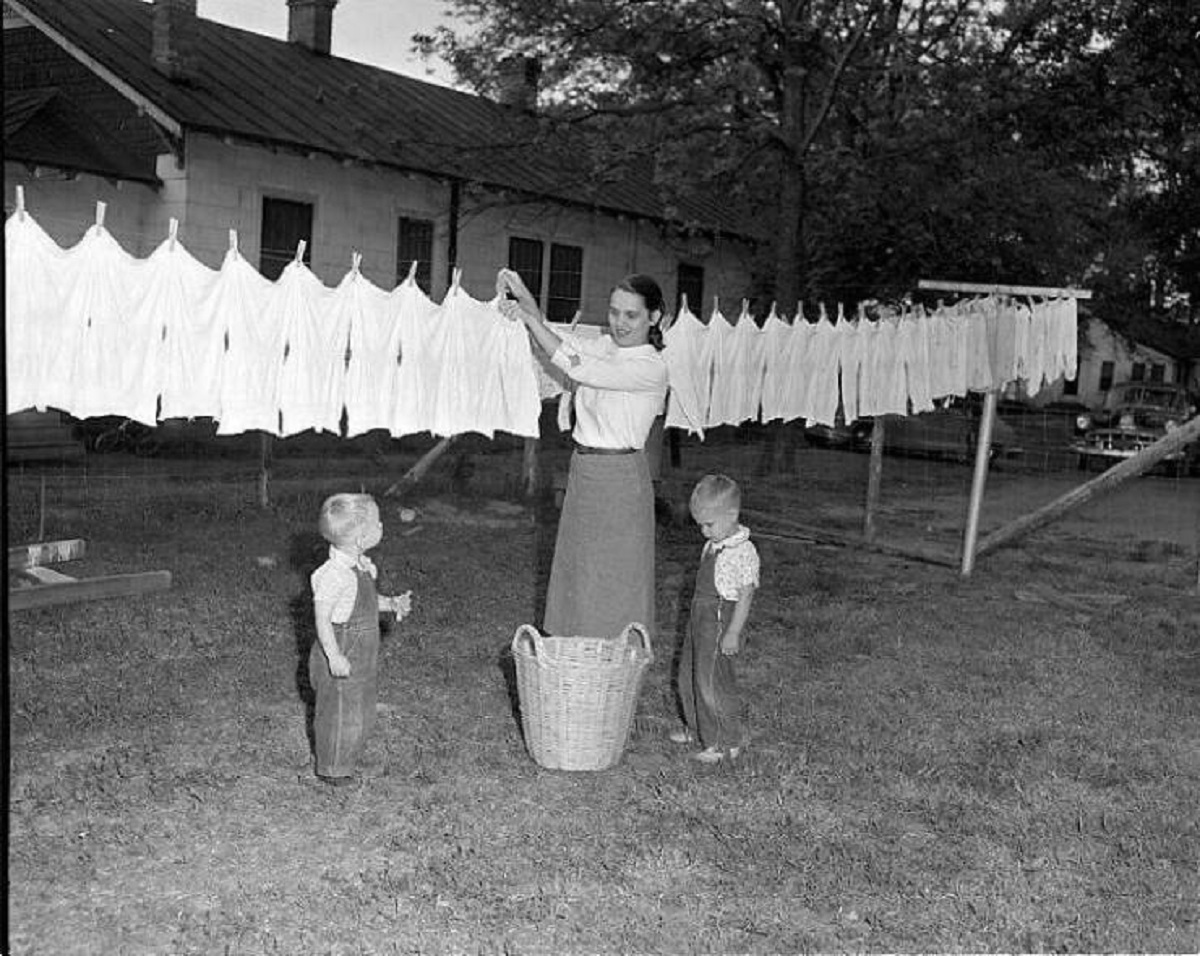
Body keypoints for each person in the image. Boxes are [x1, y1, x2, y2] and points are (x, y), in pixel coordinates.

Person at [497, 268, 668, 641]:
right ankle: (575, 662)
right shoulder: (607, 346)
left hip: (621, 479)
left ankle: (611, 665)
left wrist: (528, 320)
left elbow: (577, 366)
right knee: (580, 573)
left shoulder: (650, 366)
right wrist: (525, 297)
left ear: (654, 317)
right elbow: (559, 339)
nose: (619, 323)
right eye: (614, 312)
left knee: (614, 576)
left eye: (631, 315)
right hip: (585, 472)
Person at [309, 493, 412, 786]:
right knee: (340, 714)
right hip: (342, 652)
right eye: (378, 523)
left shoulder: (360, 567)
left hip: (362, 656)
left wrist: (390, 604)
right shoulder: (334, 575)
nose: (382, 525)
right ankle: (333, 768)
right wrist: (334, 656)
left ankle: (348, 755)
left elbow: (364, 601)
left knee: (360, 708)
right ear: (360, 538)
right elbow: (322, 618)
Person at [673, 474, 759, 763]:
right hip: (699, 617)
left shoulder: (742, 551)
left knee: (711, 680)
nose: (704, 532)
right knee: (689, 674)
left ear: (732, 514)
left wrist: (733, 631)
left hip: (720, 619)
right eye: (700, 525)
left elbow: (745, 595)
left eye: (709, 524)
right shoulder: (713, 544)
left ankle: (725, 742)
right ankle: (698, 728)